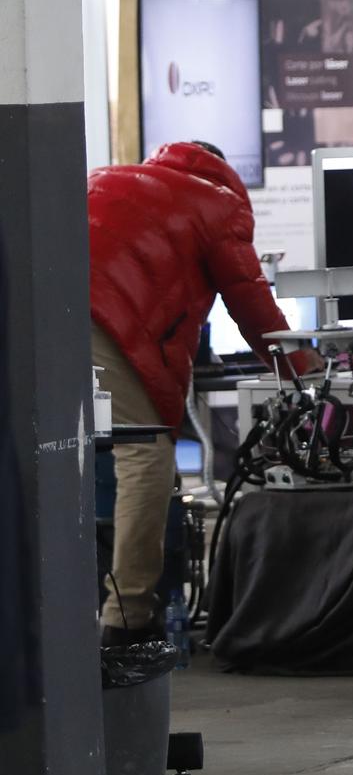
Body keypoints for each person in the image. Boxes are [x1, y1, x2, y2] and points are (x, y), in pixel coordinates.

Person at [87, 141, 318, 643]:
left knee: (52, 451)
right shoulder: (218, 204)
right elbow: (251, 300)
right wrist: (306, 367)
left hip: (42, 311)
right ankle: (126, 618)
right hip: (105, 323)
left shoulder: (107, 178)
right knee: (145, 455)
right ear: (225, 173)